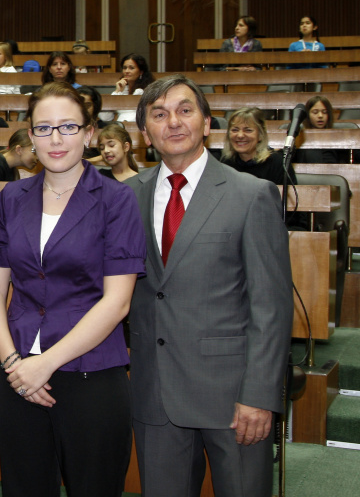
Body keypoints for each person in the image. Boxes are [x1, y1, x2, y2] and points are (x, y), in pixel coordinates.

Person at [127, 74, 292, 497]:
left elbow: (270, 307)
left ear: (206, 122)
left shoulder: (251, 194)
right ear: (145, 132)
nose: (174, 123)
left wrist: (260, 395)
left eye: (185, 110)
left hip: (233, 398)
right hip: (155, 395)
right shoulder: (126, 196)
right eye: (159, 115)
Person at [0, 82, 145, 496]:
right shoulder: (12, 198)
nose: (56, 139)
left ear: (89, 133)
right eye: (44, 128)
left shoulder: (116, 200)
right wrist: (14, 363)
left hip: (90, 373)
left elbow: (118, 301)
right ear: (30, 136)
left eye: (68, 127)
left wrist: (44, 363)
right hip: (17, 374)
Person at [112, 53, 154, 123]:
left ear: (141, 72)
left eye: (131, 68)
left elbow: (131, 113)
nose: (127, 71)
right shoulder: (122, 88)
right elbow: (105, 117)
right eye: (124, 68)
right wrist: (117, 91)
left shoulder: (145, 91)